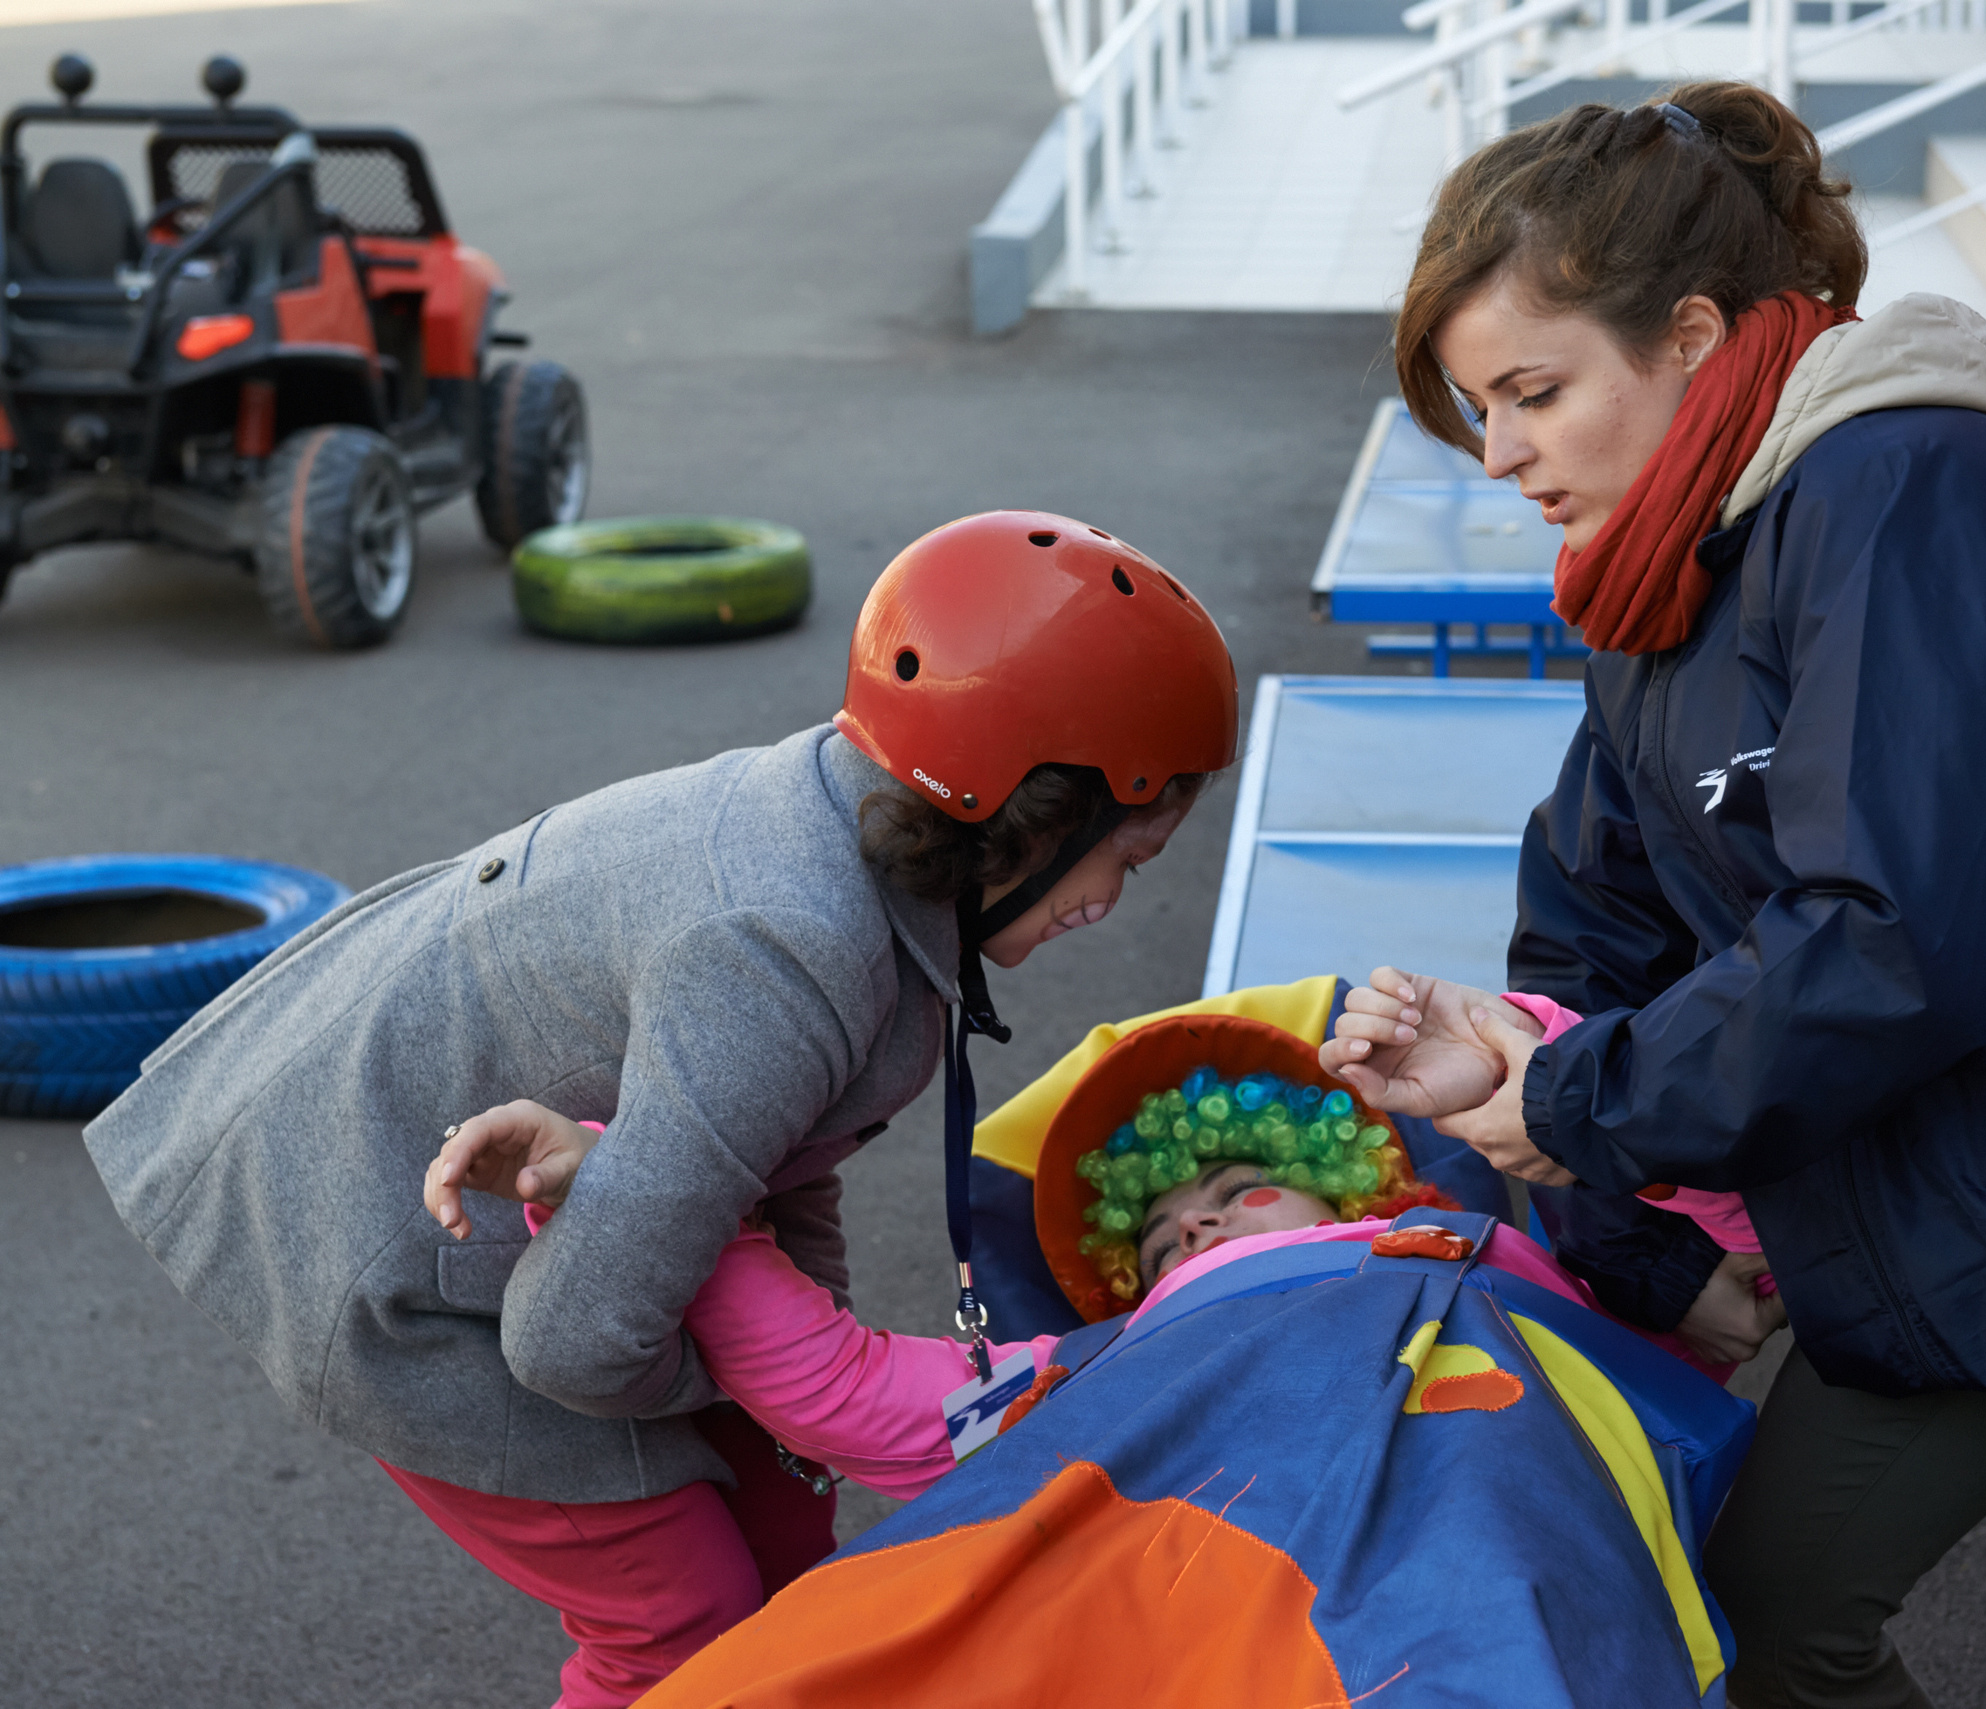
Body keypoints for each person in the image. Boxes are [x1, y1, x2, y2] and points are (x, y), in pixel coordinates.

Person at [1319, 80, 1986, 1709]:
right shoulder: (1660, 596)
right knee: (1753, 1626)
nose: (1502, 455)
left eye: (1534, 391)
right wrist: (1534, 1090)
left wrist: (1585, 1100)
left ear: (1691, 336)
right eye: (1480, 411)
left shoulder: (1917, 487)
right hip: (1984, 1186)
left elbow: (1910, 931)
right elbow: (1595, 942)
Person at [81, 509, 1237, 1708]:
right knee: (679, 1623)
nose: (1111, 900)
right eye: (1127, 857)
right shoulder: (786, 951)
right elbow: (575, 1342)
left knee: (788, 1543)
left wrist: (796, 1355)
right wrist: (774, 1367)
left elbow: (779, 1157)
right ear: (1030, 816)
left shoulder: (874, 843)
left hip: (552, 1222)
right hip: (380, 1227)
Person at [433, 1016, 1758, 1706]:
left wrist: (1594, 1139)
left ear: (1343, 1187)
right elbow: (845, 1391)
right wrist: (626, 1180)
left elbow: (1732, 1236)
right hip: (1168, 1550)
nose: (1195, 1226)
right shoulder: (1097, 1357)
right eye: (1162, 1235)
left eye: (1235, 1190)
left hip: (1474, 1498)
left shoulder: (1510, 1259)